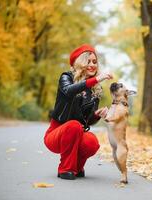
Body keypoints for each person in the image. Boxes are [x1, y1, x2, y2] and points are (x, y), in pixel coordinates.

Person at [44, 44, 113, 180]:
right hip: (55, 134)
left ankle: (76, 167)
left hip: (77, 132)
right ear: (80, 62)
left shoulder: (95, 90)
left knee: (91, 141)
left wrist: (97, 115)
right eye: (88, 61)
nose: (93, 65)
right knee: (74, 126)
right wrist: (96, 80)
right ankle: (65, 169)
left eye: (94, 62)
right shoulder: (66, 78)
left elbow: (88, 121)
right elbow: (69, 91)